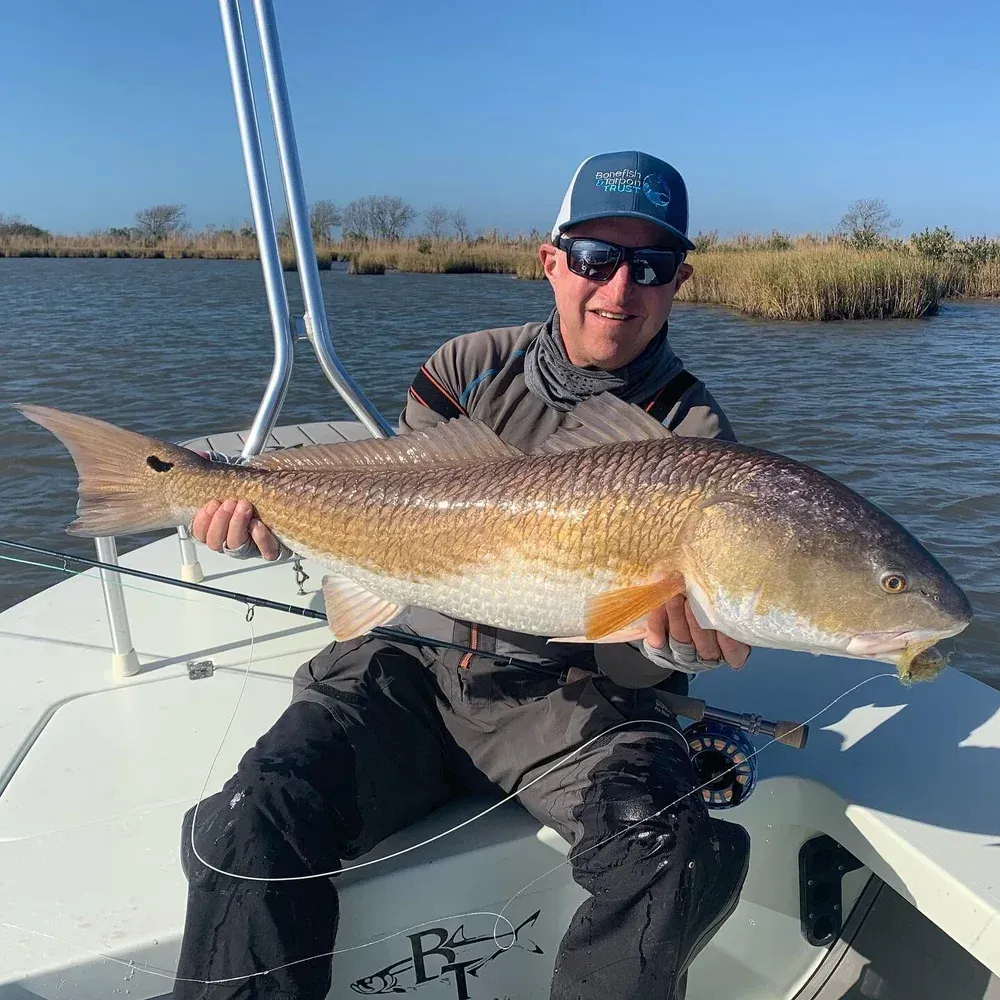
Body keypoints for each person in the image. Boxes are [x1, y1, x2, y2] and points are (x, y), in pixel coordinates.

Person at [174, 150, 752, 1000]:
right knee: (253, 812)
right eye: (595, 259)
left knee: (676, 847)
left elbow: (635, 663)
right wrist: (267, 517)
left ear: (679, 281)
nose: (619, 289)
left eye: (650, 266)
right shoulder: (466, 365)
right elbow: (387, 507)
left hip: (561, 698)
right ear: (551, 261)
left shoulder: (693, 430)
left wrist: (684, 650)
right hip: (406, 663)